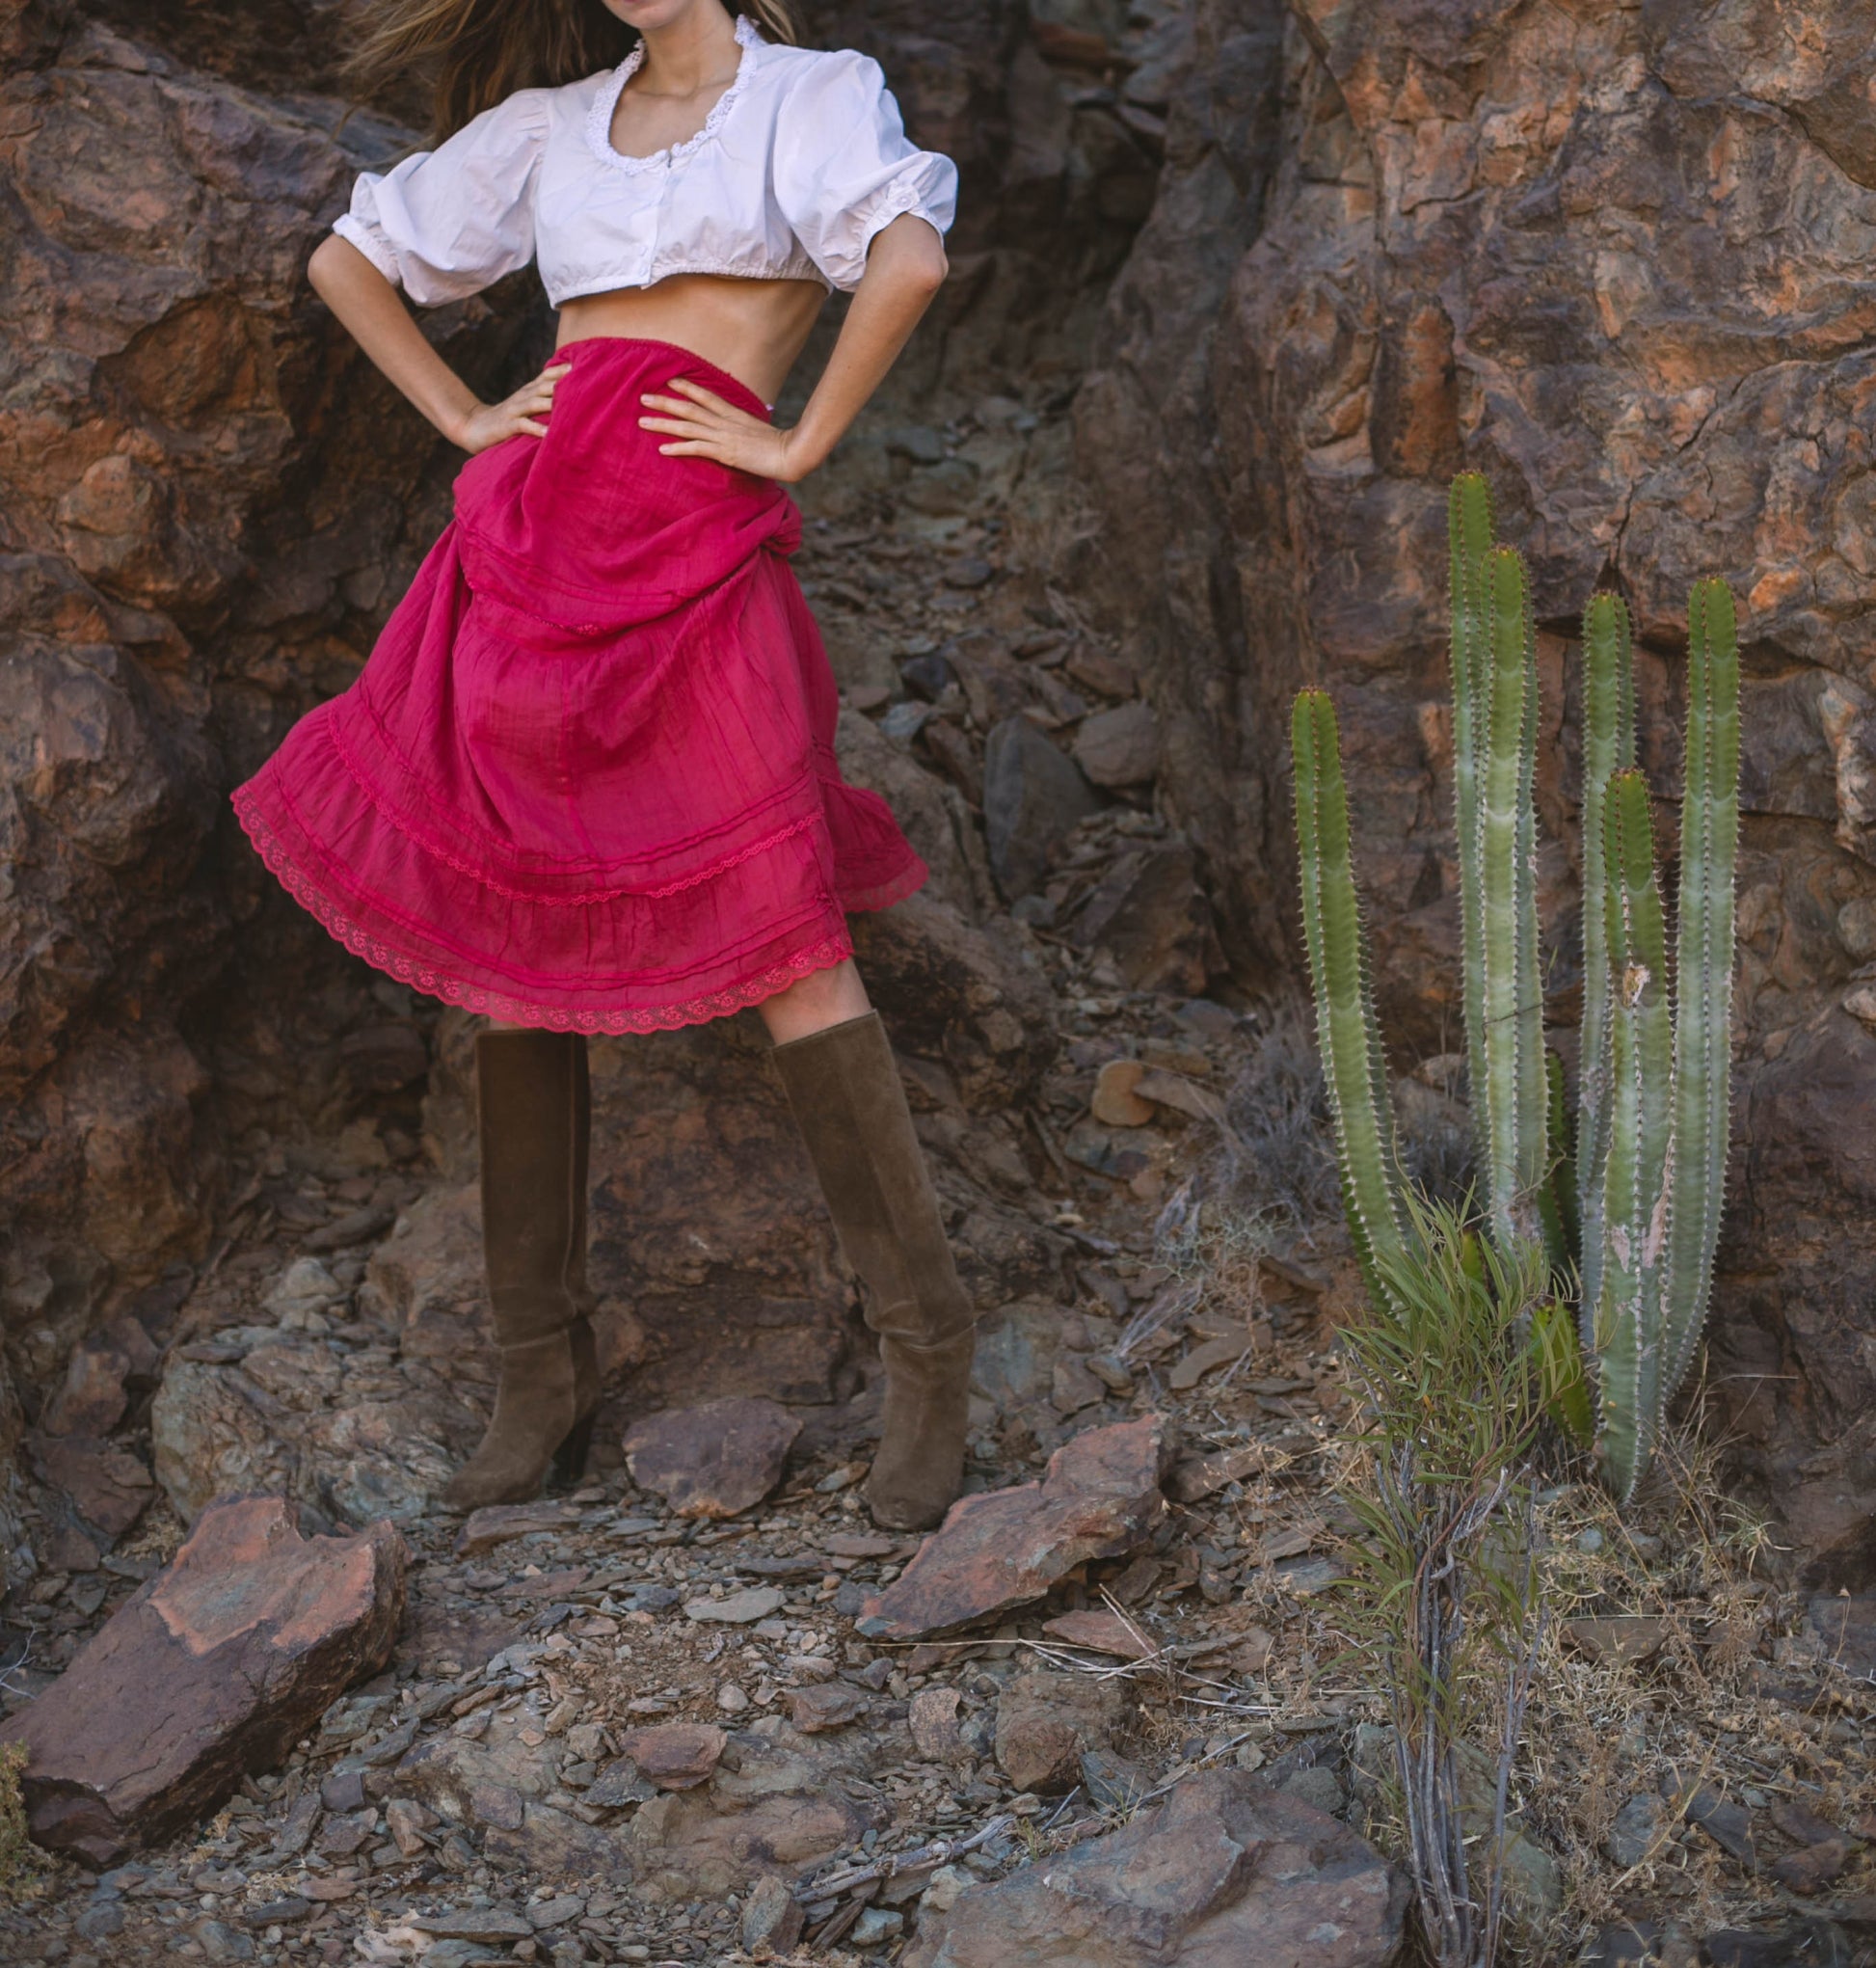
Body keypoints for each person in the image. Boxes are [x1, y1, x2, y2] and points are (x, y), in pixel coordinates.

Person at [232, 0, 977, 1530]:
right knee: (509, 947)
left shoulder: (812, 96)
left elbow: (906, 255)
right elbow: (347, 257)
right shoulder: (549, 125)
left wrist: (796, 440)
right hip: (525, 545)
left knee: (791, 942)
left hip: (694, 553)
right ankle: (538, 1382)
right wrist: (462, 413)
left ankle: (929, 1365)